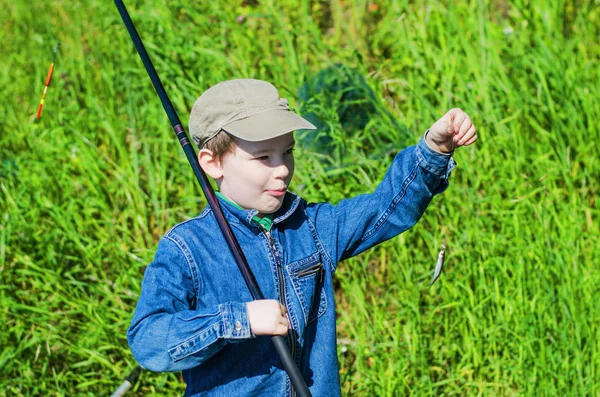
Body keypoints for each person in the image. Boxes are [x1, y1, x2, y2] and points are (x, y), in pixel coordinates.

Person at [127, 78, 477, 396]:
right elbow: (148, 340)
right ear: (212, 163)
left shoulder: (311, 226)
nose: (282, 169)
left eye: (288, 152)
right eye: (263, 157)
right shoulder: (187, 247)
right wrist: (238, 320)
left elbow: (386, 208)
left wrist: (434, 149)